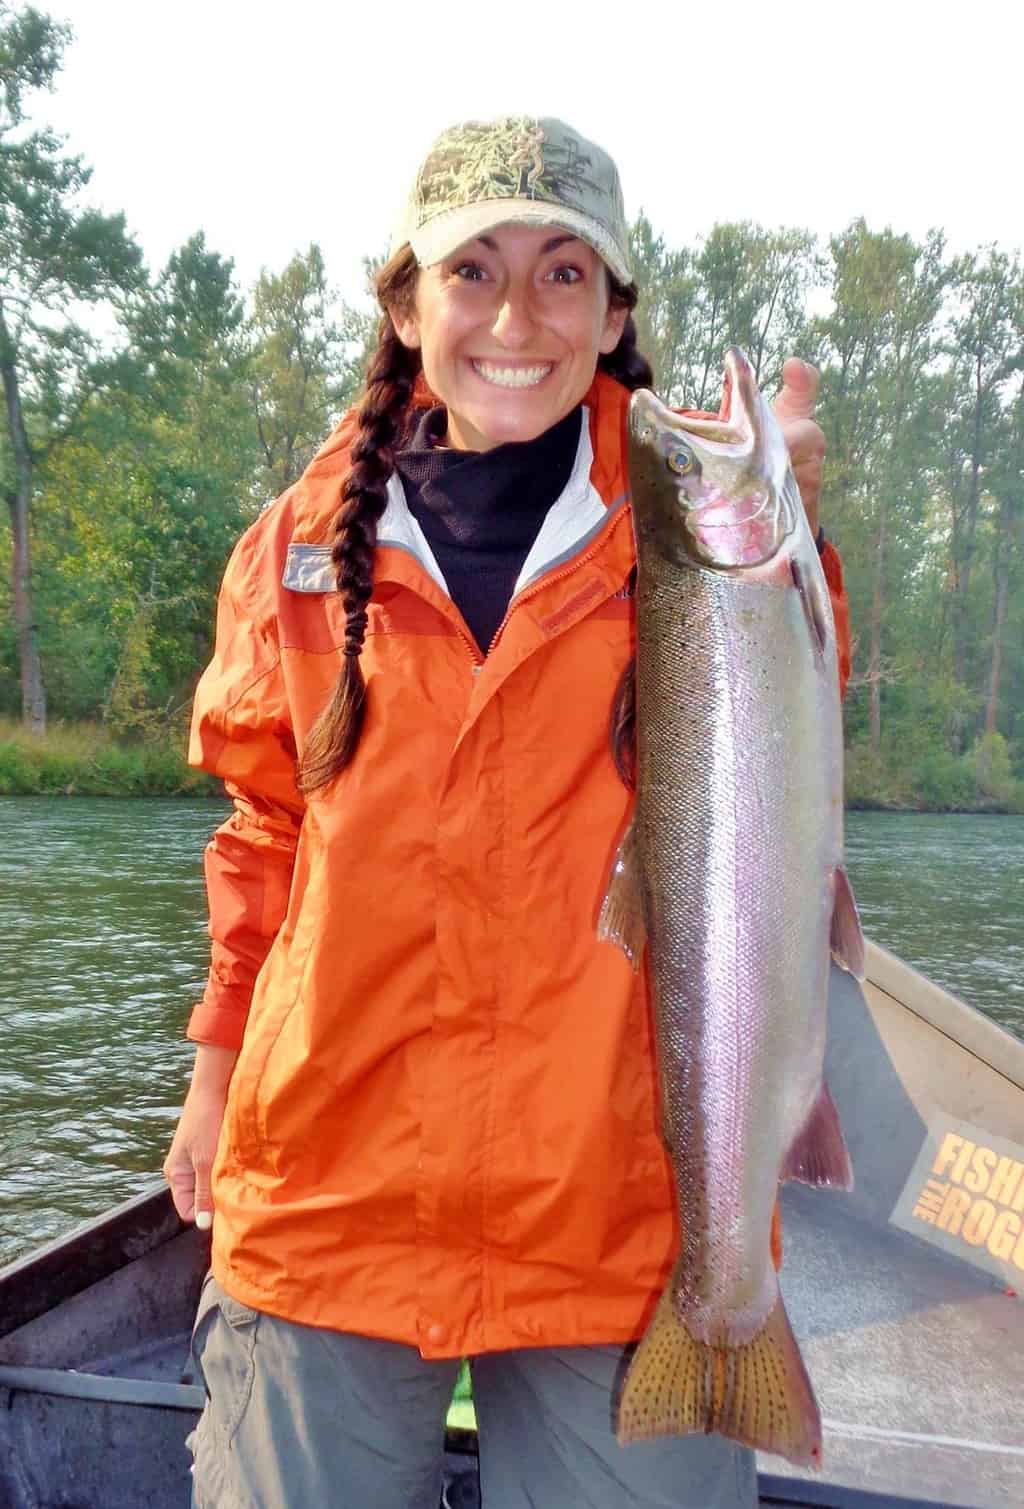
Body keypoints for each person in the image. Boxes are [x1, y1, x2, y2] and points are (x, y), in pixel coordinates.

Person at [164, 115, 851, 1509]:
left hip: (611, 1214)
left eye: (561, 273)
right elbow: (262, 843)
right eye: (472, 270)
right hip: (330, 1195)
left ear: (612, 315)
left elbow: (771, 786)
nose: (515, 317)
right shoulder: (294, 554)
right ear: (408, 303)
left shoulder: (701, 536)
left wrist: (793, 540)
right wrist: (215, 1067)